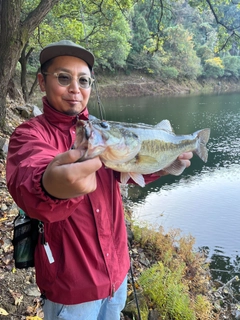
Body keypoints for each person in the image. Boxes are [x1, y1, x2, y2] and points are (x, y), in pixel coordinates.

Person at [6, 40, 193, 320]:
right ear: (42, 83)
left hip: (117, 274)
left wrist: (162, 165)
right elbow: (29, 178)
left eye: (83, 80)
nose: (75, 89)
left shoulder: (101, 130)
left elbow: (125, 168)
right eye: (63, 78)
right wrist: (52, 186)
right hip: (71, 288)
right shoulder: (29, 135)